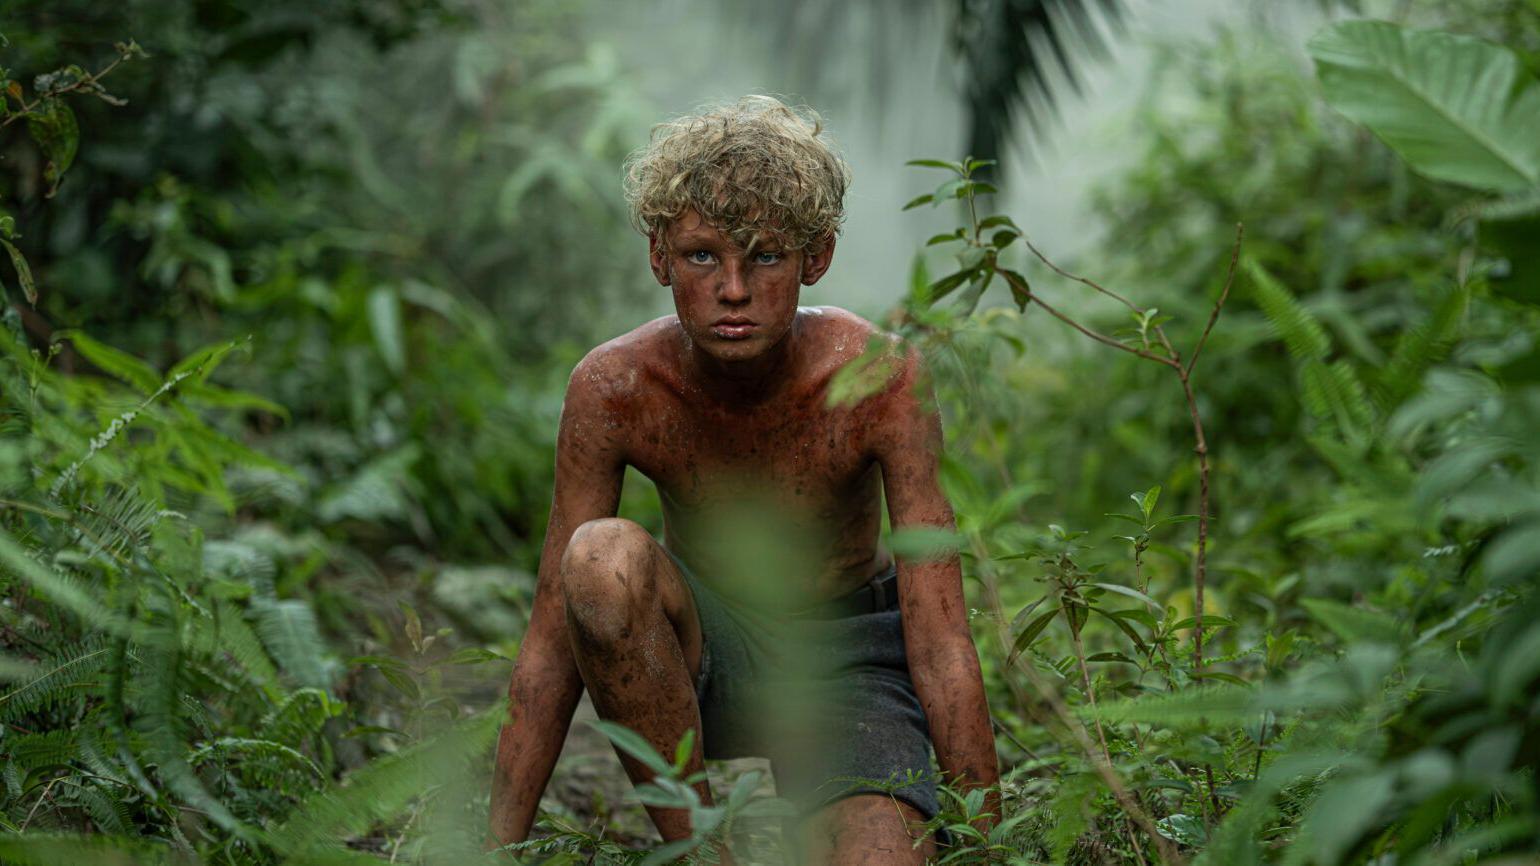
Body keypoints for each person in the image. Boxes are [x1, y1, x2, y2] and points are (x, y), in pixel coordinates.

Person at [487, 95, 999, 864]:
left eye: (764, 256)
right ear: (659, 256)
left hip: (848, 659)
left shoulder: (878, 378)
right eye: (702, 256)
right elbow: (553, 635)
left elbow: (940, 638)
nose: (733, 289)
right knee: (599, 558)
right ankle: (701, 852)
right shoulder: (617, 386)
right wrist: (488, 845)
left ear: (814, 257)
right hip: (703, 655)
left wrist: (989, 848)